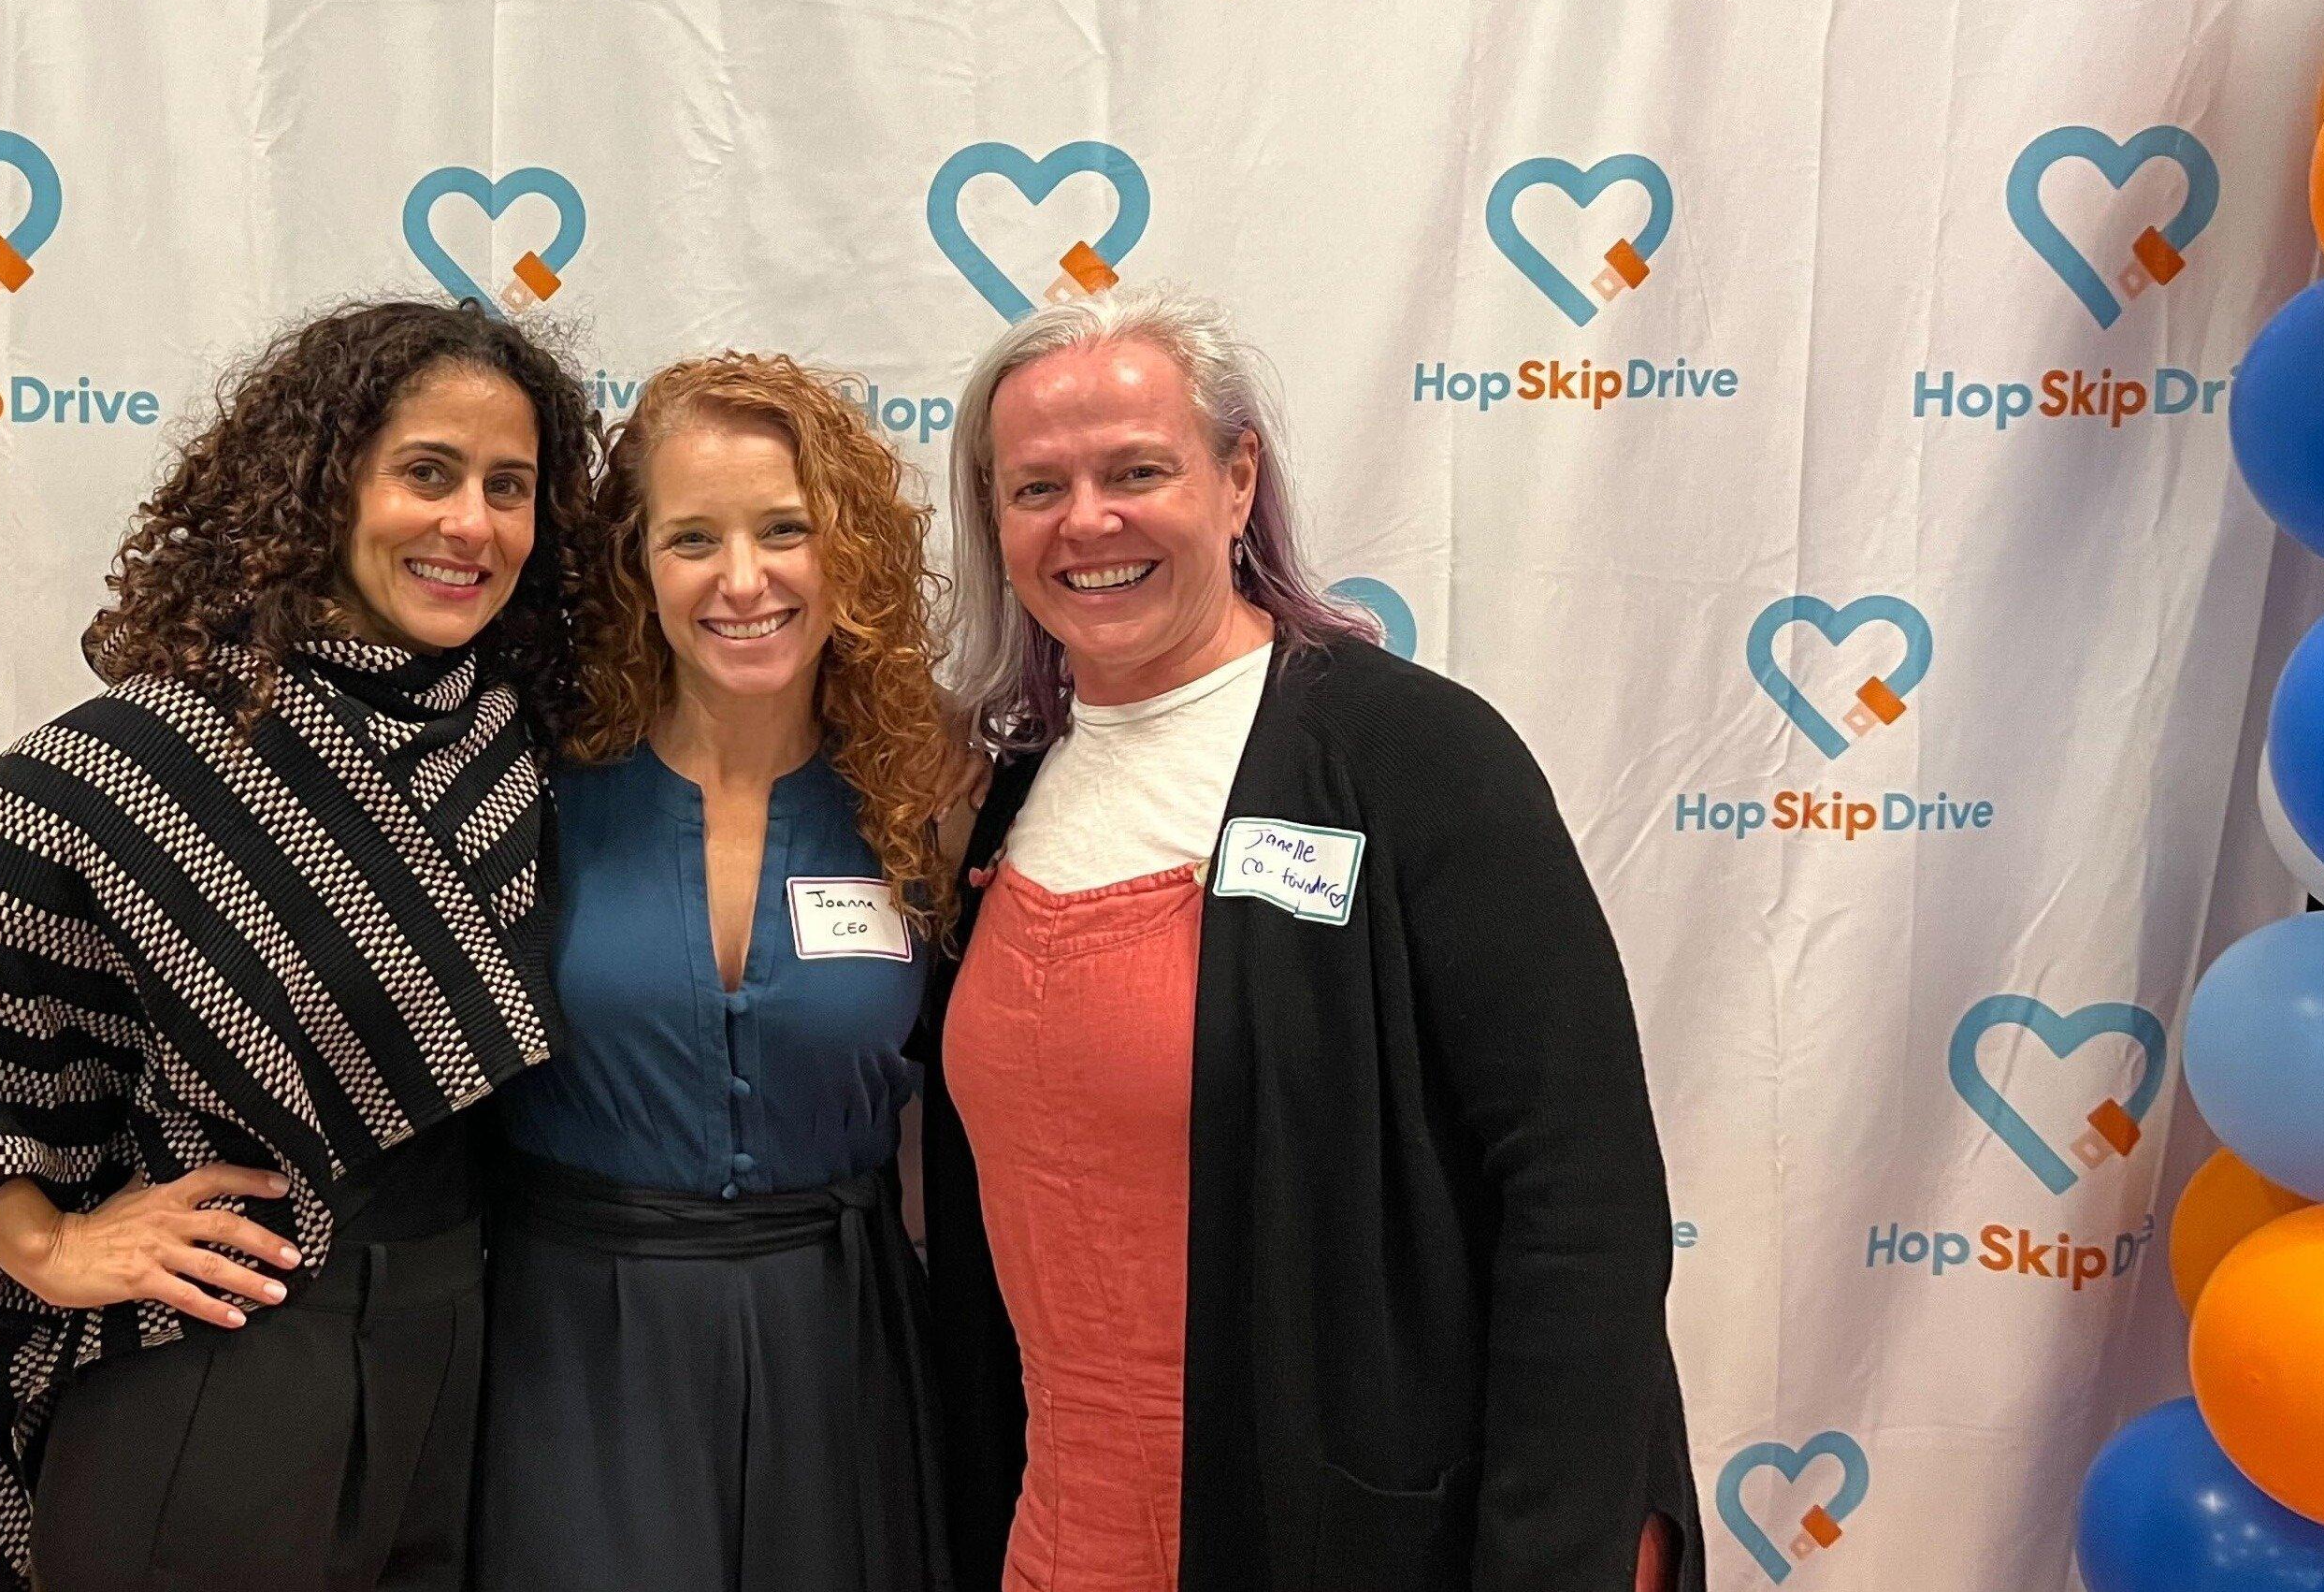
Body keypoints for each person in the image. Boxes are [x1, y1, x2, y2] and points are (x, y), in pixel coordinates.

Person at [0, 299, 602, 1592]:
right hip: (226, 1355)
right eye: (427, 473)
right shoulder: (171, 746)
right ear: (327, 489)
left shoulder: (513, 747)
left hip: (456, 1350)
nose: (472, 523)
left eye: (508, 487)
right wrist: (46, 1246)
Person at [917, 286, 1700, 1592]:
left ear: (1237, 480)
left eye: (1137, 471)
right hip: (1064, 1535)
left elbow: (1582, 1196)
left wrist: (1556, 1555)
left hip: (1353, 1541)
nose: (1087, 521)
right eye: (1036, 487)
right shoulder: (1002, 796)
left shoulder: (1412, 757)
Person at [471, 355, 958, 1589]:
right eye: (693, 538)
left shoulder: (930, 796)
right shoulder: (529, 789)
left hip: (842, 1341)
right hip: (571, 1343)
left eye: (784, 530)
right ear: (636, 565)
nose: (743, 580)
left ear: (848, 549)